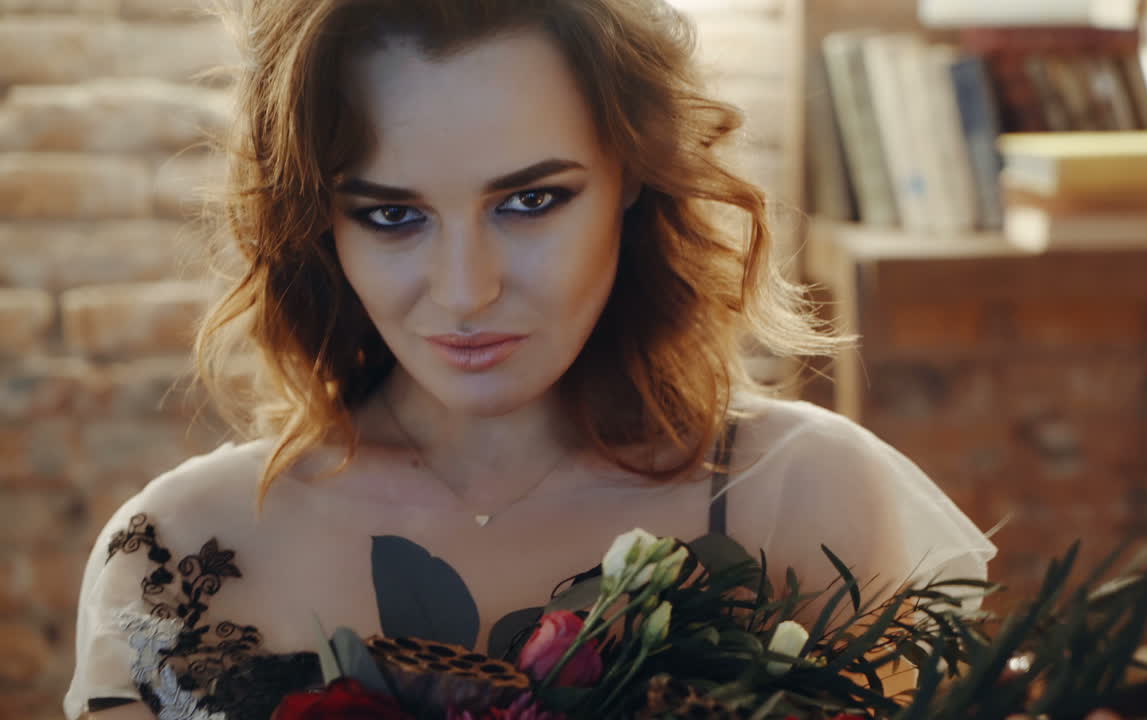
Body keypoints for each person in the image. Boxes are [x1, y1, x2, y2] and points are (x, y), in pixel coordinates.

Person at [64, 1, 998, 718]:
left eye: (530, 203)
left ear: (632, 175)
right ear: (321, 225)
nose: (466, 289)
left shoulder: (808, 502)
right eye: (393, 216)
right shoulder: (178, 555)